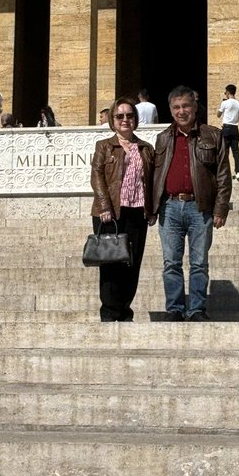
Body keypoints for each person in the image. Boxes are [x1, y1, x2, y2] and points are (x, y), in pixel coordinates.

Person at [153, 85, 231, 321]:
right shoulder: (163, 138)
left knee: (199, 263)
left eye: (186, 106)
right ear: (170, 110)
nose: (181, 111)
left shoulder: (213, 135)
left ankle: (196, 309)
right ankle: (175, 308)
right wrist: (152, 208)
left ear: (195, 108)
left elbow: (223, 175)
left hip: (200, 207)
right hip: (170, 207)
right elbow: (154, 176)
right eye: (176, 107)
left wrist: (221, 208)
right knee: (171, 263)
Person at [89, 98, 156, 322]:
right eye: (120, 116)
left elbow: (153, 180)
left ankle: (125, 310)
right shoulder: (104, 146)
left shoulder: (146, 148)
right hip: (110, 213)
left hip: (137, 211)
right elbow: (97, 176)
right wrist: (105, 206)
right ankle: (109, 312)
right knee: (110, 265)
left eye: (129, 115)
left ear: (135, 119)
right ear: (112, 120)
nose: (125, 120)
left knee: (132, 263)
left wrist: (152, 209)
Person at [216, 83, 239, 181]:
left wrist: (221, 105)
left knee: (224, 152)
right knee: (236, 152)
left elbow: (218, 115)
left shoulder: (225, 103)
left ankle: (225, 172)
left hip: (226, 128)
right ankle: (238, 172)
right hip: (235, 128)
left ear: (227, 92)